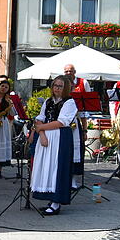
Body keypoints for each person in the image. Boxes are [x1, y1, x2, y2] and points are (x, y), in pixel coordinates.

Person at [30, 75, 77, 215]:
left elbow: (61, 122)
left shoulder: (69, 102)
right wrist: (42, 134)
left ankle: (56, 202)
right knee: (47, 167)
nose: (56, 88)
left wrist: (41, 128)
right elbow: (39, 119)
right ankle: (50, 199)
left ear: (66, 88)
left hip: (60, 137)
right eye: (55, 85)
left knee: (57, 168)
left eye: (60, 86)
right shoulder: (48, 101)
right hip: (47, 136)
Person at [64, 63, 89, 181]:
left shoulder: (83, 83)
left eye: (70, 71)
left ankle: (73, 180)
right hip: (62, 124)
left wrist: (85, 130)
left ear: (75, 72)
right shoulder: (60, 84)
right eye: (66, 71)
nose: (68, 73)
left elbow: (85, 110)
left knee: (76, 152)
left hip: (75, 123)